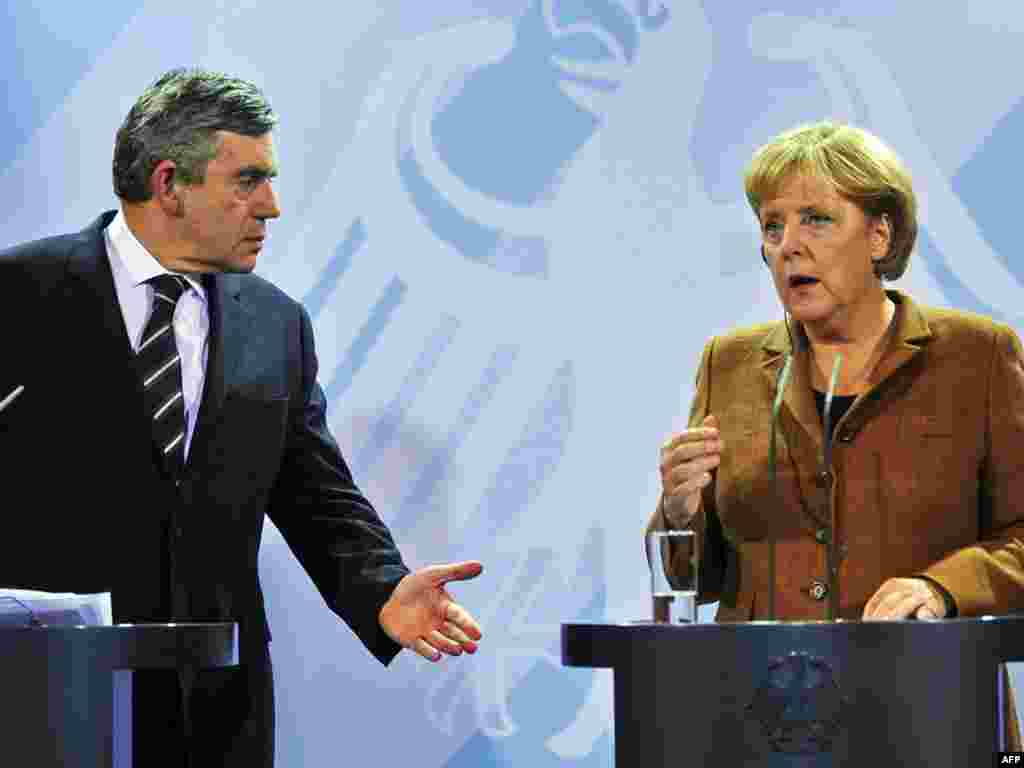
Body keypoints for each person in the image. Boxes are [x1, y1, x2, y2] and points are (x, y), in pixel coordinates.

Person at [0, 68, 483, 766]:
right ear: (168, 184)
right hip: (47, 704)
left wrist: (383, 591)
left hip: (217, 710)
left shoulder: (275, 325)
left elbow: (317, 496)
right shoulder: (18, 296)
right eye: (248, 180)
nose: (272, 206)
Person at [647, 120, 1024, 736]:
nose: (788, 245)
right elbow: (697, 576)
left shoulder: (976, 357)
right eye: (772, 226)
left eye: (816, 219)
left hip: (931, 709)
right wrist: (679, 509)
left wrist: (943, 589)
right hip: (762, 721)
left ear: (880, 235)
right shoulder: (730, 364)